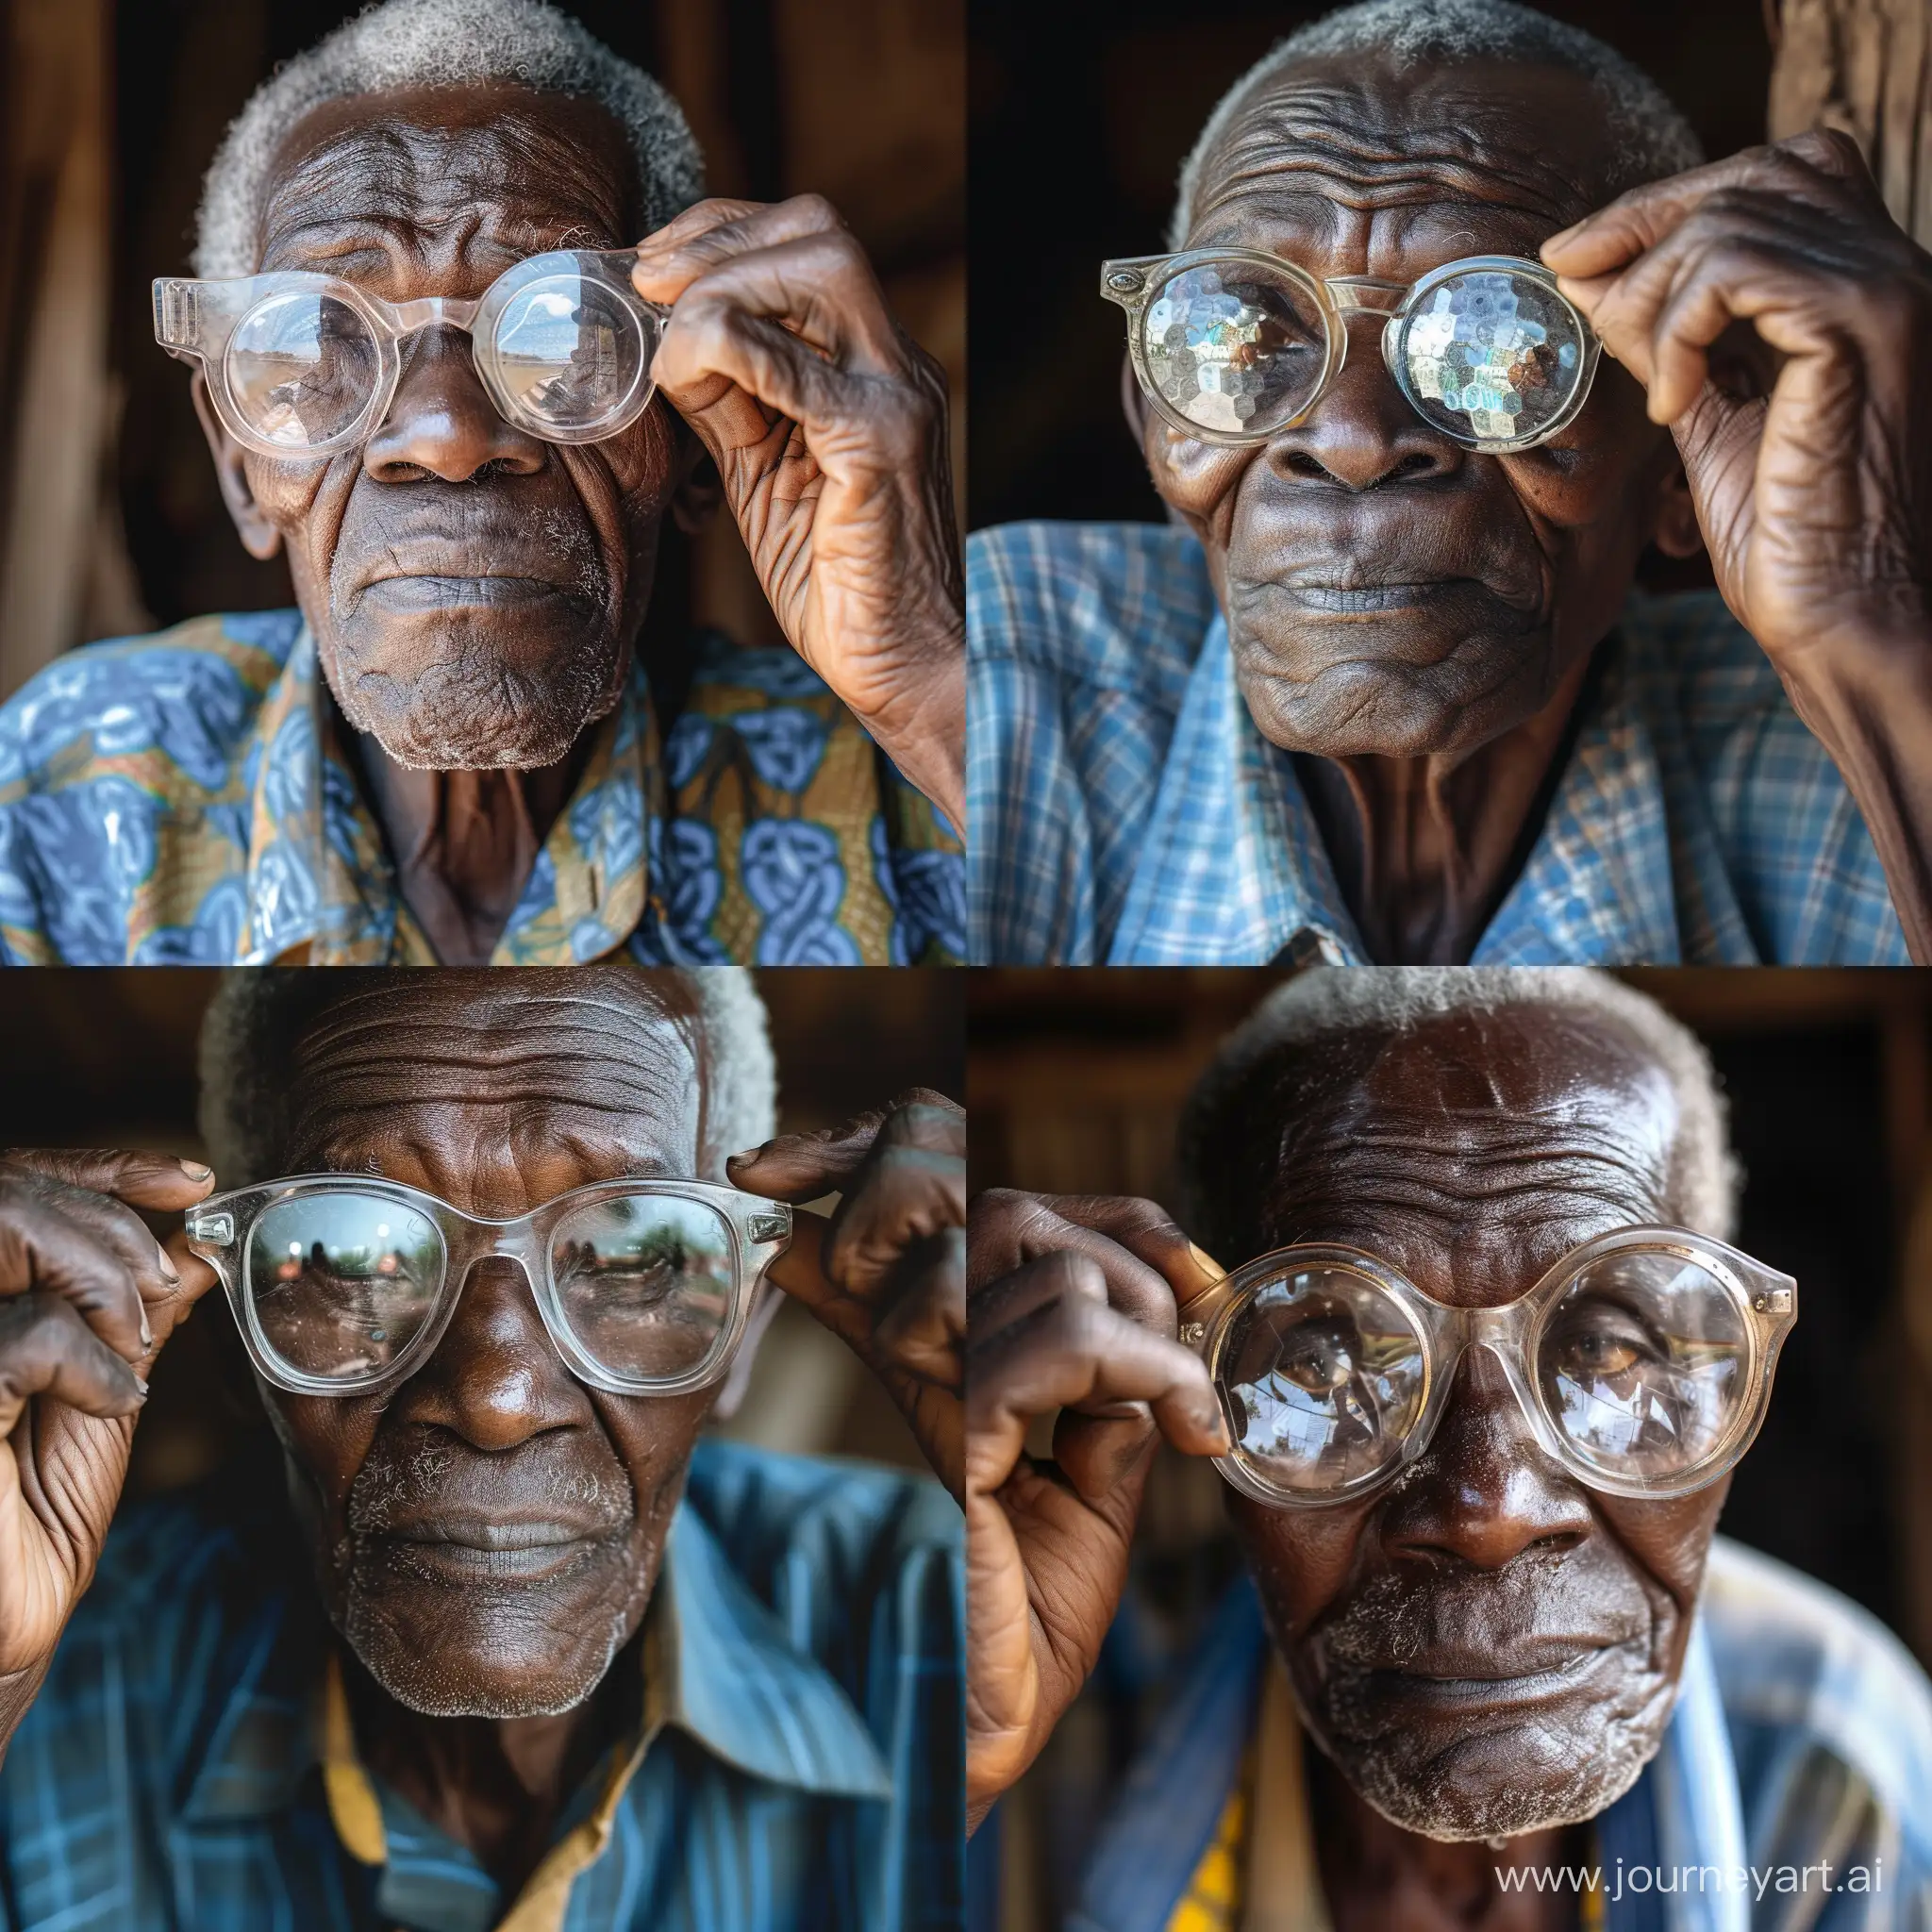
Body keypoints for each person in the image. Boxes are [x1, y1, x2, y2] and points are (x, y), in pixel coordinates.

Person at [967, 0, 1932, 967]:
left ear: (1680, 460)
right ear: (1151, 417)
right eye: (1238, 332)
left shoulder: (1828, 749)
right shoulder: (999, 667)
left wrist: (1862, 631)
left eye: (1499, 339)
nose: (1349, 438)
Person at [0, 965, 966, 1931]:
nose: (495, 1397)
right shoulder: (51, 1681)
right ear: (236, 1335)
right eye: (353, 1258)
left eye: (629, 1258)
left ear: (738, 1338)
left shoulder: (940, 1617)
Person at [0, 0, 963, 967]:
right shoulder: (63, 791)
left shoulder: (902, 783)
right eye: (321, 340)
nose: (448, 435)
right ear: (241, 468)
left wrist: (924, 681)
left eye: (562, 330)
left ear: (695, 436)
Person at [965, 968, 1932, 1928]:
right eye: (1328, 1364)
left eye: (1603, 1348)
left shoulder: (1841, 1768)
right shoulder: (1036, 1735)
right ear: (1190, 1390)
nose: (1486, 1513)